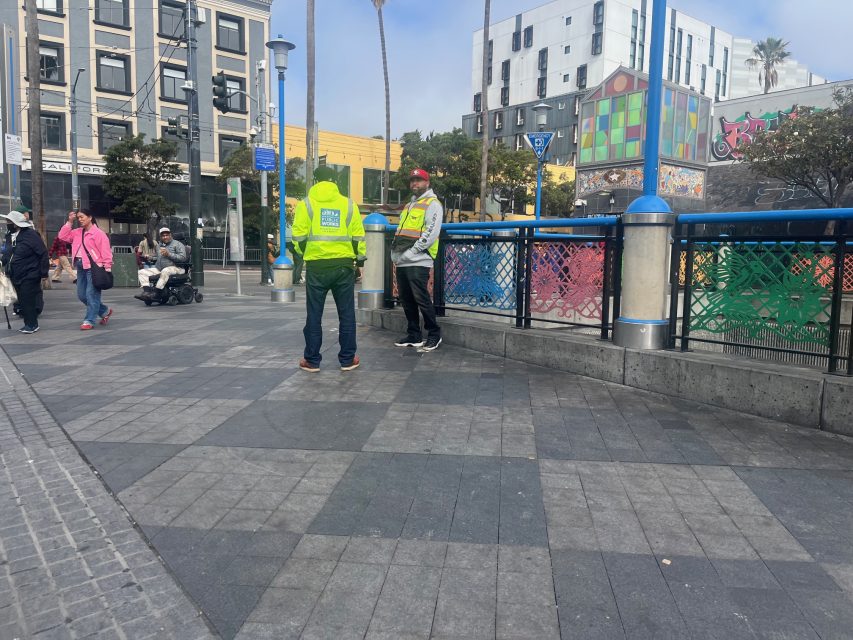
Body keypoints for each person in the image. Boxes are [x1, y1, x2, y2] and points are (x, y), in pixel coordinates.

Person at [292, 166, 365, 372]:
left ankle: (312, 360)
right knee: (347, 315)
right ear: (335, 180)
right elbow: (358, 236)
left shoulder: (306, 205)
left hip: (317, 266)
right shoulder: (348, 204)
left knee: (314, 315)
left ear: (316, 180)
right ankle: (348, 359)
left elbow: (298, 237)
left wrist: (308, 252)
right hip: (343, 266)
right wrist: (358, 261)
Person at [391, 168, 443, 352]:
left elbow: (431, 233)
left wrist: (413, 252)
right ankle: (414, 335)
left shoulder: (433, 204)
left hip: (419, 259)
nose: (415, 183)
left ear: (427, 183)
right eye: (412, 180)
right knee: (406, 299)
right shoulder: (409, 205)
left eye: (419, 180)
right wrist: (398, 255)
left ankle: (434, 334)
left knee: (421, 298)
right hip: (403, 260)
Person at [59, 210, 113, 330]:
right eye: (78, 218)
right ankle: (104, 311)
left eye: (82, 217)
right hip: (80, 265)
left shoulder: (98, 234)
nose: (80, 219)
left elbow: (106, 251)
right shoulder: (77, 232)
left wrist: (107, 267)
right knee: (82, 295)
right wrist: (69, 221)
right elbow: (62, 236)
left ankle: (89, 320)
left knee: (91, 294)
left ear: (90, 217)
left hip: (94, 267)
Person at [0, 211, 49, 333]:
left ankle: (32, 324)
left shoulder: (31, 235)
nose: (7, 224)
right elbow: (8, 254)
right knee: (21, 299)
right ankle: (28, 323)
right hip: (16, 273)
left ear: (16, 224)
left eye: (9, 222)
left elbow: (42, 253)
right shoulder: (10, 236)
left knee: (27, 298)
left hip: (30, 273)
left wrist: (43, 273)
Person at [134, 227, 187, 300]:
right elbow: (157, 257)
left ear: (170, 235)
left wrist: (169, 254)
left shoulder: (178, 244)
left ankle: (157, 293)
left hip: (177, 268)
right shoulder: (160, 245)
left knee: (165, 270)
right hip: (160, 268)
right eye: (163, 236)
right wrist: (150, 257)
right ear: (161, 237)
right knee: (142, 272)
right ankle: (147, 292)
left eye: (167, 235)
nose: (165, 237)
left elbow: (183, 258)